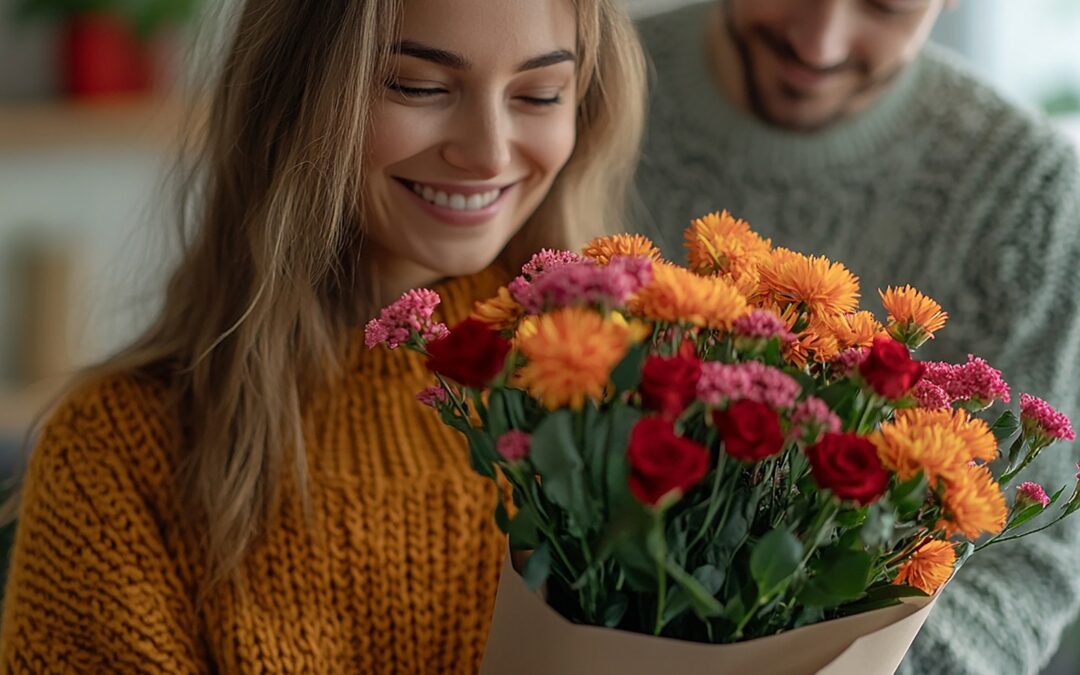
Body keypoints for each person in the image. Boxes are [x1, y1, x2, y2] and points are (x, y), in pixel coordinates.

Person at [0, 0, 646, 671]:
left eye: (540, 94)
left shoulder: (634, 395)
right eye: (418, 86)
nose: (487, 151)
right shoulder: (117, 462)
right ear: (291, 90)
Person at [634, 1, 1080, 673]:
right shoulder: (566, 92)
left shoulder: (1027, 195)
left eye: (884, 5)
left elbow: (1024, 564)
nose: (820, 43)